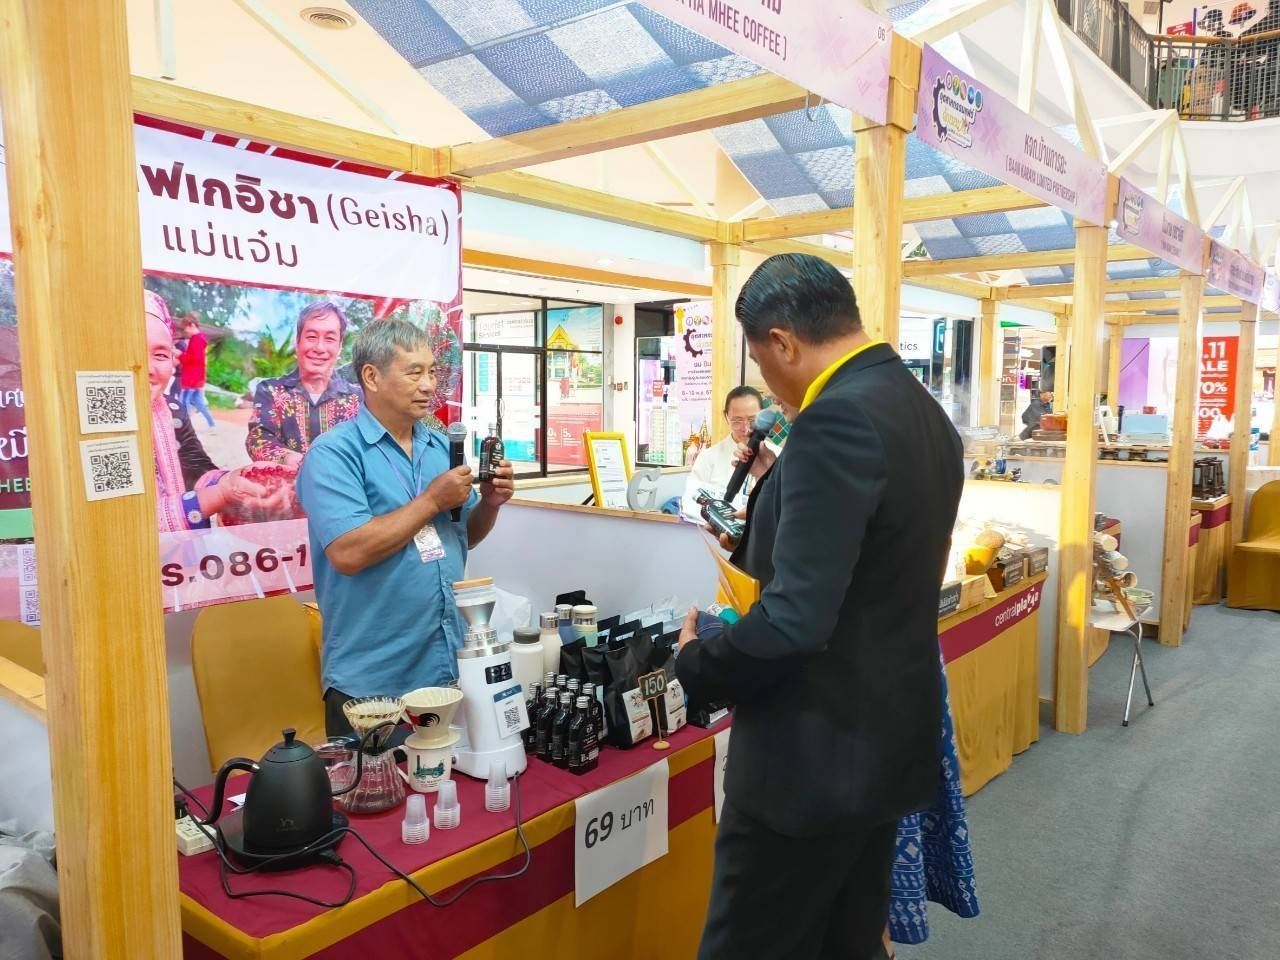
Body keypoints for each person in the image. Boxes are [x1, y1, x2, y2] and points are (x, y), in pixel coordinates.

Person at [673, 253, 964, 960]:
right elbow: (868, 565)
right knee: (847, 940)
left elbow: (794, 623)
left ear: (782, 342)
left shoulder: (834, 422)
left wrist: (697, 663)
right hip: (884, 746)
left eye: (758, 359)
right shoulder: (920, 408)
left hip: (810, 763)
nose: (766, 380)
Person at [296, 319, 515, 737]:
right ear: (371, 377)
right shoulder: (334, 454)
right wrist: (431, 501)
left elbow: (462, 534)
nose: (429, 385)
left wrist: (490, 503)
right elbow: (348, 552)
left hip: (447, 666)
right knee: (380, 780)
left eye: (432, 371)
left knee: (450, 777)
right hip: (373, 682)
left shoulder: (441, 447)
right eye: (414, 372)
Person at [145, 292, 291, 532]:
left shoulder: (172, 411)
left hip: (181, 559)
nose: (148, 368)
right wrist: (221, 494)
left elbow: (195, 470)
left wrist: (235, 480)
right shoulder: (92, 432)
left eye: (160, 355)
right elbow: (125, 522)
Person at [246, 301, 361, 467]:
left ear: (339, 347)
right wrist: (295, 461)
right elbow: (258, 439)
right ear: (297, 342)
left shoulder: (357, 398)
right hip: (286, 482)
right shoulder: (270, 391)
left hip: (341, 483)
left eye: (330, 339)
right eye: (311, 337)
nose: (319, 348)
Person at [680, 386, 773, 522]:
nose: (746, 428)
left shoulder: (777, 456)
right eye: (737, 421)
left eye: (752, 420)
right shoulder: (708, 457)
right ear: (726, 417)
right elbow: (690, 502)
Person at [178, 313, 216, 430]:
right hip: (197, 378)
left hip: (192, 378)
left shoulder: (197, 340)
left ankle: (185, 427)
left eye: (186, 327)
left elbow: (194, 359)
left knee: (184, 401)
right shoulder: (198, 339)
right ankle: (212, 425)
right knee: (198, 402)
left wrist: (180, 354)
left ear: (192, 325)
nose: (185, 330)